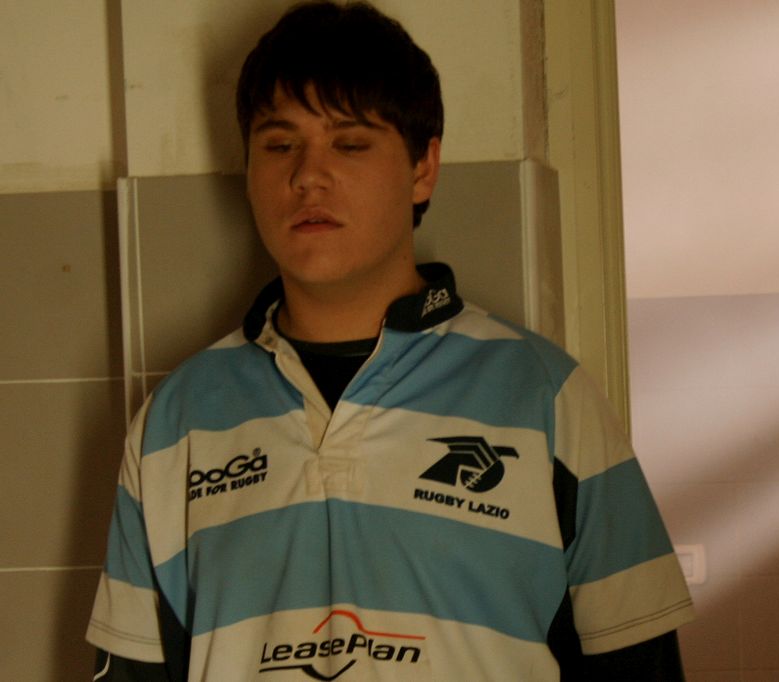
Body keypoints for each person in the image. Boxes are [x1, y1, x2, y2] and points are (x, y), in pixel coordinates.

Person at [86, 2, 694, 679]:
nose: (307, 176)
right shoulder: (175, 422)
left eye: (349, 143)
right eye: (280, 145)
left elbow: (641, 665)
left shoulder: (547, 397)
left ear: (423, 167)